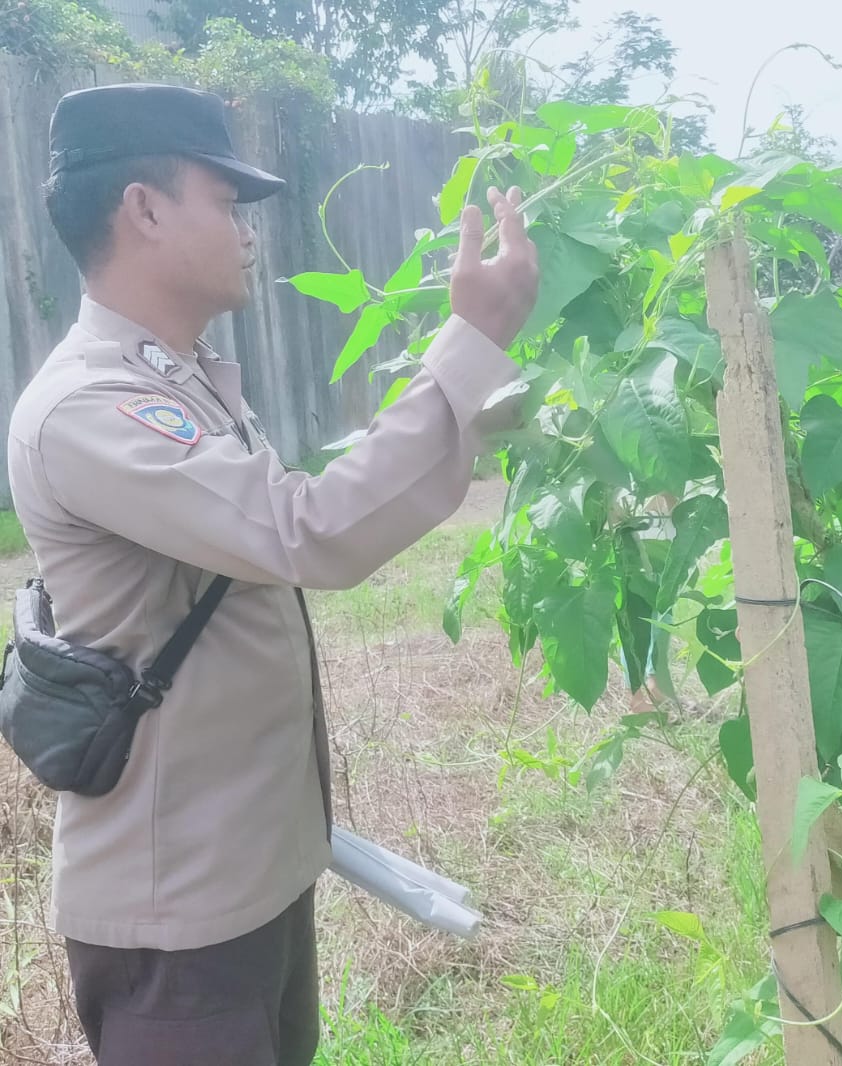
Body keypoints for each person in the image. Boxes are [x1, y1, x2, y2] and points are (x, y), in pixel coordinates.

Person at [5, 81, 538, 1066]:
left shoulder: (180, 380)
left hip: (249, 879)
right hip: (179, 923)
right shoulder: (89, 407)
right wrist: (468, 346)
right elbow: (309, 529)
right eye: (226, 201)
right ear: (145, 209)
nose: (248, 230)